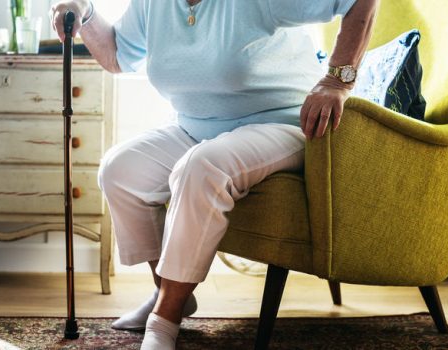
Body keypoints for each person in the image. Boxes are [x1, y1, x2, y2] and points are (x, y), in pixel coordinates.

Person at [50, 0, 378, 348]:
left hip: (279, 124)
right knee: (120, 169)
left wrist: (337, 81)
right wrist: (83, 12)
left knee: (201, 166)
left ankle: (164, 321)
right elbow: (117, 55)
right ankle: (169, 290)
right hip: (196, 127)